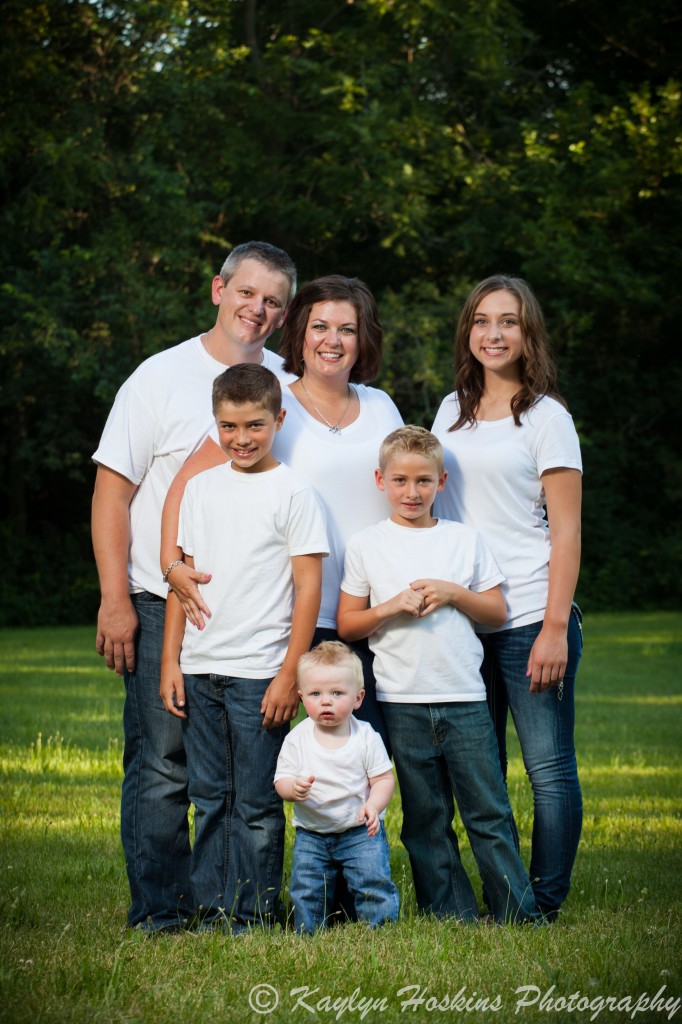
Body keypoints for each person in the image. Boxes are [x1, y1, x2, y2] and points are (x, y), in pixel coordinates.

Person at [91, 241, 297, 933]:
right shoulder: (161, 377)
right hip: (159, 602)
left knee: (238, 777)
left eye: (273, 300)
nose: (257, 309)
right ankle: (160, 912)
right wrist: (117, 598)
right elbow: (112, 493)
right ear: (218, 289)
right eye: (246, 292)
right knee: (162, 764)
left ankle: (232, 905)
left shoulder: (286, 388)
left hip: (252, 617)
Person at [160, 275, 403, 749]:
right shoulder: (270, 406)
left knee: (374, 755)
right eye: (320, 327)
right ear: (299, 333)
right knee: (289, 760)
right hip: (291, 618)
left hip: (373, 612)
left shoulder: (383, 407)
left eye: (347, 329)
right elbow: (185, 490)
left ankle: (367, 827)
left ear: (363, 338)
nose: (332, 341)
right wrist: (172, 568)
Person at [337, 426, 540, 924]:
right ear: (380, 479)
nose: (412, 492)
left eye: (424, 481)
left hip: (465, 697)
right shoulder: (366, 545)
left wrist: (453, 593)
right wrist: (390, 607)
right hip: (401, 701)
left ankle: (517, 911)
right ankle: (451, 912)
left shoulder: (463, 540)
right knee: (426, 817)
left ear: (441, 481)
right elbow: (348, 623)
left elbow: (494, 611)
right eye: (401, 480)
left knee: (488, 811)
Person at [431, 275, 583, 921]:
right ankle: (506, 895)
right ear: (468, 331)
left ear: (529, 334)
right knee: (481, 771)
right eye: (482, 320)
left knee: (546, 771)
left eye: (510, 321)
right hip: (467, 618)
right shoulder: (449, 412)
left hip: (528, 616)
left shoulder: (547, 418)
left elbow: (568, 529)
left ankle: (543, 902)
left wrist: (553, 626)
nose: (494, 333)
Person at [159, 364, 328, 931]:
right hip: (201, 667)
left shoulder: (295, 492)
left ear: (278, 419)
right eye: (228, 427)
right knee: (209, 797)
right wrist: (170, 662)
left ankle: (254, 913)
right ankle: (212, 910)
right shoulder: (200, 490)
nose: (241, 438)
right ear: (216, 424)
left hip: (260, 671)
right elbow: (181, 581)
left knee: (255, 803)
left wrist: (289, 676)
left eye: (254, 424)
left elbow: (309, 589)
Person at [274, 641, 399, 933]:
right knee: (306, 888)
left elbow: (383, 779)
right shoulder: (297, 738)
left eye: (337, 693)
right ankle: (308, 932)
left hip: (359, 833)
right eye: (316, 694)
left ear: (358, 698)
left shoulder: (365, 736)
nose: (326, 701)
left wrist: (374, 806)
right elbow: (281, 780)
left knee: (372, 882)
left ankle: (381, 930)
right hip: (312, 834)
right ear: (302, 697)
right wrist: (293, 789)